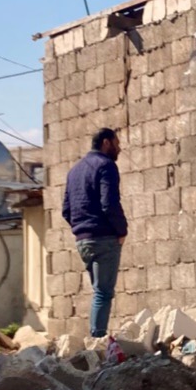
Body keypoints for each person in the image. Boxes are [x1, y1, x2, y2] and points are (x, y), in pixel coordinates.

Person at [62, 127, 127, 340]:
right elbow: (109, 203)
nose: (119, 148)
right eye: (117, 143)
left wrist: (81, 229)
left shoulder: (74, 171)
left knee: (99, 291)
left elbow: (66, 210)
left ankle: (95, 338)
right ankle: (97, 339)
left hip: (83, 241)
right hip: (104, 239)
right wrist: (121, 230)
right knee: (104, 292)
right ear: (106, 143)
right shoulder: (106, 166)